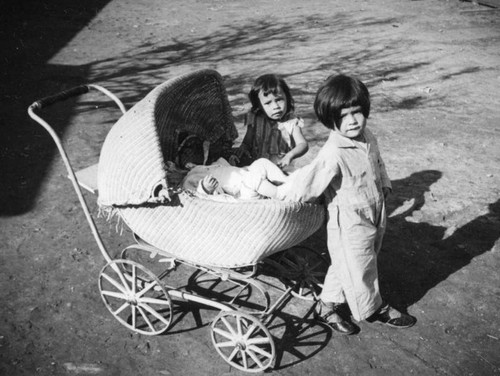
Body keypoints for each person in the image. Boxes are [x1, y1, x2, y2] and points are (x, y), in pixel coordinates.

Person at [276, 74, 416, 334]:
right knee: (361, 265)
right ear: (330, 119)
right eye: (343, 115)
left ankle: (326, 304)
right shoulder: (333, 153)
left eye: (357, 112)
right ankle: (374, 308)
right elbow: (310, 183)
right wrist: (284, 200)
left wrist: (385, 183)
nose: (352, 121)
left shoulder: (367, 136)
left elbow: (378, 162)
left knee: (352, 261)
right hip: (349, 220)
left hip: (375, 208)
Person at [230, 74, 308, 169]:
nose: (275, 107)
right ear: (259, 105)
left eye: (279, 100)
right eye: (268, 103)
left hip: (282, 167)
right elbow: (247, 142)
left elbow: (303, 144)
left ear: (287, 98)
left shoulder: (292, 121)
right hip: (258, 166)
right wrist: (241, 150)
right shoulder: (255, 119)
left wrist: (290, 155)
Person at [182, 157, 288, 200]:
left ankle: (286, 181)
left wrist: (229, 163)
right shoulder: (187, 182)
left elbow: (223, 170)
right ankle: (280, 194)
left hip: (245, 172)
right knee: (251, 179)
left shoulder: (197, 168)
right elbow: (196, 197)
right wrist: (205, 188)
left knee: (261, 162)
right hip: (241, 191)